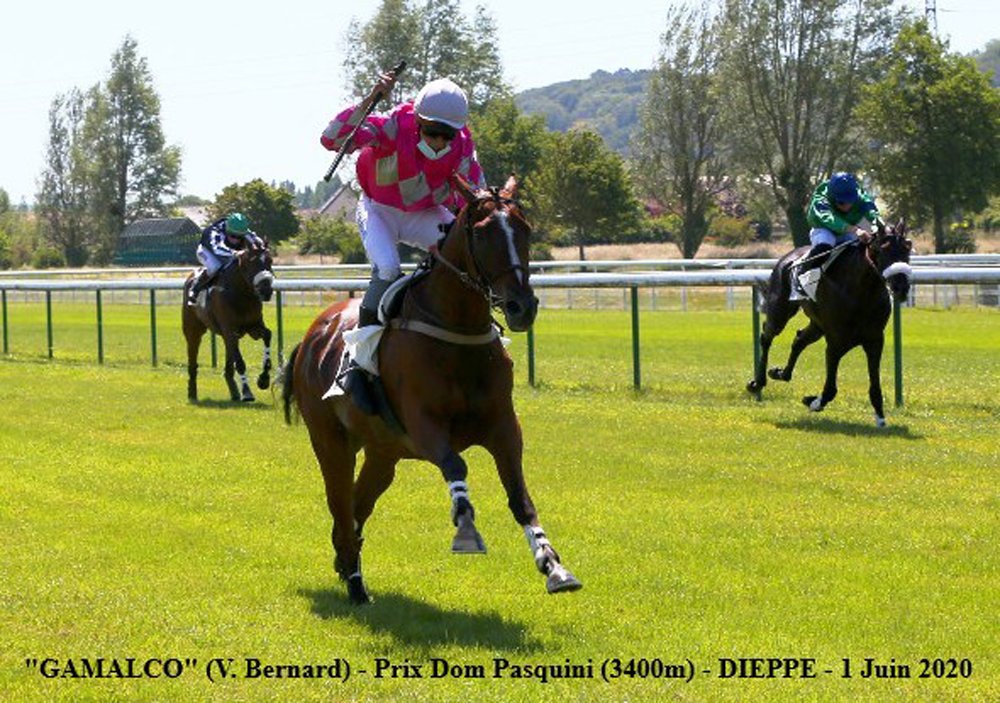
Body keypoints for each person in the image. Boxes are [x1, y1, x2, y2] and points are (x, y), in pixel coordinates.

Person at [320, 74, 487, 408]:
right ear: (419, 121)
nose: (439, 141)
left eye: (448, 134)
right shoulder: (391, 126)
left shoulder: (463, 147)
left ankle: (480, 340)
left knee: (467, 253)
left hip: (424, 212)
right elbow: (331, 138)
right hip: (379, 210)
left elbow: (476, 196)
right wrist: (369, 99)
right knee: (387, 268)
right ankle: (357, 362)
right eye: (432, 131)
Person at [791, 172, 883, 301]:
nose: (847, 206)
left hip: (849, 227)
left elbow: (871, 211)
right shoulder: (821, 199)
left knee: (866, 247)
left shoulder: (860, 195)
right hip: (824, 228)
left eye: (850, 201)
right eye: (842, 202)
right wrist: (855, 230)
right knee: (826, 244)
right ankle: (802, 273)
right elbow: (829, 219)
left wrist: (880, 227)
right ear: (832, 196)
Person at [187, 212, 265, 306]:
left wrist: (261, 247)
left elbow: (255, 239)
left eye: (239, 237)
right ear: (227, 230)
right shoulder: (214, 232)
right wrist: (235, 253)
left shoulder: (242, 230)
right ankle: (195, 288)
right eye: (233, 236)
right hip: (207, 251)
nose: (236, 240)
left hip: (228, 251)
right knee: (215, 266)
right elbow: (217, 249)